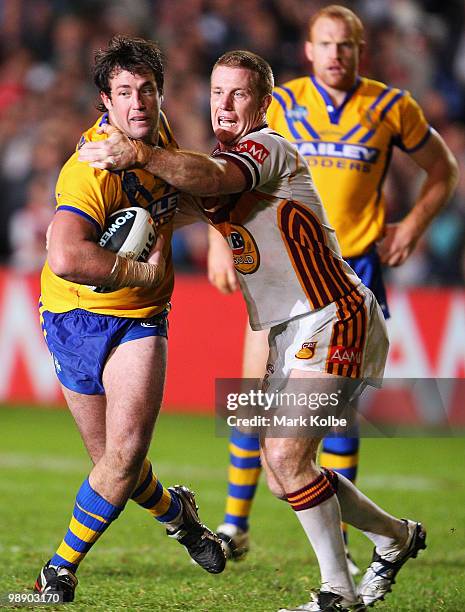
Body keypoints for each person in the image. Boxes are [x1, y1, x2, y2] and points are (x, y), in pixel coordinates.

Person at [79, 48, 431, 611]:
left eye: (239, 93)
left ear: (265, 103)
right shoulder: (221, 159)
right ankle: (395, 537)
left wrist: (139, 152)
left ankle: (337, 593)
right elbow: (181, 194)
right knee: (281, 472)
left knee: (289, 459)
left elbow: (211, 176)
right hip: (289, 329)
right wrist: (104, 171)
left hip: (334, 314)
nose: (225, 104)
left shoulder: (265, 148)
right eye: (217, 92)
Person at [205, 3, 459, 572]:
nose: (335, 54)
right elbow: (228, 174)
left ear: (359, 50)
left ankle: (341, 539)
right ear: (308, 50)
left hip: (352, 269)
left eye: (346, 44)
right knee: (253, 395)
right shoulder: (280, 101)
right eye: (325, 43)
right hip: (279, 268)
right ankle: (234, 523)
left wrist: (413, 225)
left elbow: (444, 169)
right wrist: (223, 241)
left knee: (333, 413)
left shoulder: (392, 107)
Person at [35, 35, 225, 603]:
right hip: (72, 315)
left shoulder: (158, 138)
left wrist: (214, 220)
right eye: (125, 93)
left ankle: (57, 571)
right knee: (115, 468)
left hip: (141, 319)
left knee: (122, 457)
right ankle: (181, 517)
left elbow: (189, 187)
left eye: (147, 90)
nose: (138, 102)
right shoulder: (89, 169)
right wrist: (139, 272)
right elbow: (67, 255)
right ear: (105, 102)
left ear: (161, 94)